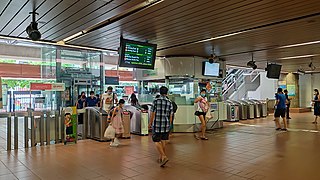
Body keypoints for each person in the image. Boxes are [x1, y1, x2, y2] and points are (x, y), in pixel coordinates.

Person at [148, 86, 173, 167]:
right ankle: (161, 157)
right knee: (163, 140)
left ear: (159, 92)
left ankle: (164, 156)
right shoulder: (169, 102)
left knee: (156, 141)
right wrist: (170, 124)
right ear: (167, 93)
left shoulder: (156, 101)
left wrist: (150, 123)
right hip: (166, 124)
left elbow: (152, 113)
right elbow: (171, 115)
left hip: (157, 124)